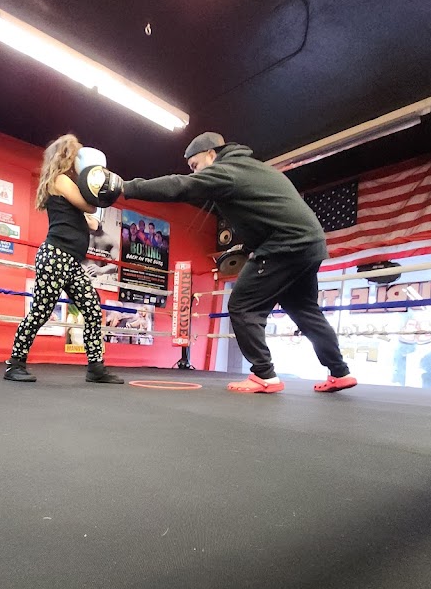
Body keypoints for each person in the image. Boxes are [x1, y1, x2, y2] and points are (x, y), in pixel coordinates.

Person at [117, 131, 357, 394]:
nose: (195, 173)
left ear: (211, 154)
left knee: (243, 306)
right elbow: (268, 214)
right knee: (304, 309)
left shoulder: (226, 170)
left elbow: (181, 185)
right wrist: (252, 248)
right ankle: (340, 372)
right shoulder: (251, 168)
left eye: (195, 165)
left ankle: (264, 374)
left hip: (286, 244)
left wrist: (126, 188)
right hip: (310, 244)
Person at [3, 133, 123, 384]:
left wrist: (96, 198)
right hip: (56, 257)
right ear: (68, 157)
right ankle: (14, 364)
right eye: (77, 156)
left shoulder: (68, 188)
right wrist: (98, 191)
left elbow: (91, 221)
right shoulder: (60, 180)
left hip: (71, 262)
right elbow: (89, 206)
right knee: (41, 311)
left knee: (92, 308)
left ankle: (96, 368)